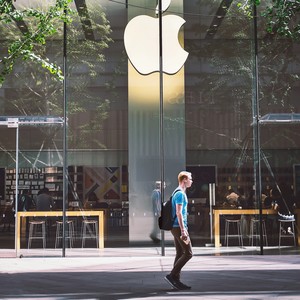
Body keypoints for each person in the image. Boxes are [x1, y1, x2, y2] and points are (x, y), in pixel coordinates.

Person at [164, 171, 193, 290]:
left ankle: (176, 280)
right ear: (184, 179)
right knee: (189, 253)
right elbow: (179, 213)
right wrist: (183, 230)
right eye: (190, 179)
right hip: (178, 227)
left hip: (175, 227)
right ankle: (172, 276)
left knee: (180, 253)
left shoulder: (176, 192)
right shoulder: (180, 194)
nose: (192, 181)